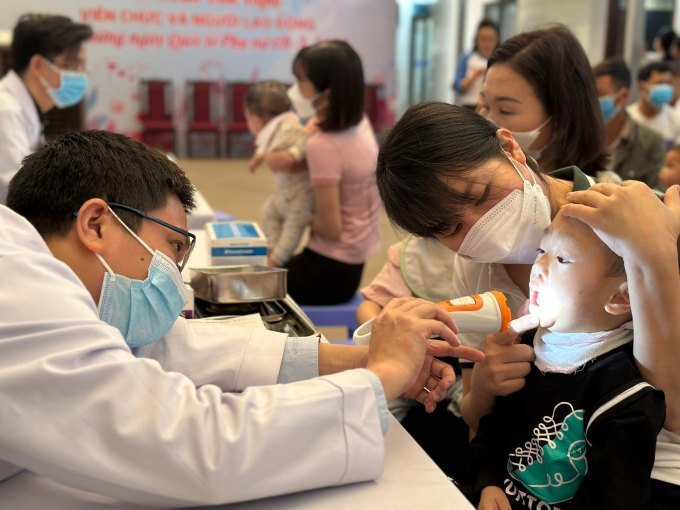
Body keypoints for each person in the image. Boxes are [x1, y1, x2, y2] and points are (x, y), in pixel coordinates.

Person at [0, 130, 484, 506]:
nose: (177, 276)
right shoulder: (18, 289)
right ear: (96, 223)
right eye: (173, 247)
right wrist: (383, 375)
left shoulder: (40, 280)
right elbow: (191, 445)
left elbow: (166, 350)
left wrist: (361, 358)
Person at [376, 102, 680, 508]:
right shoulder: (476, 271)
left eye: (481, 195)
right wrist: (483, 389)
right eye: (450, 229)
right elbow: (481, 424)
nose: (478, 226)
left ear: (510, 147)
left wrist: (653, 252)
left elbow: (668, 413)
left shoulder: (628, 235)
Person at [473, 208, 665, 509]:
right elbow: (492, 432)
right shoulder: (526, 347)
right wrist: (489, 482)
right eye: (542, 250)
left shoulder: (625, 398)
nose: (538, 267)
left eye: (562, 259)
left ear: (620, 298)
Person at [272, 40, 382, 305]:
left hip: (328, 272)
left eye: (301, 82)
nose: (295, 91)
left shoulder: (323, 145)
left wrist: (294, 212)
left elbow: (331, 228)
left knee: (244, 289)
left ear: (327, 94)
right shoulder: (359, 124)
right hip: (353, 262)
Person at [478, 25, 615, 182]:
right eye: (485, 106)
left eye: (505, 110)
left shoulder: (603, 198)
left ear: (562, 117)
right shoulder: (478, 182)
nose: (487, 122)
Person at [0, 13, 92, 204]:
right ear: (38, 65)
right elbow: (15, 192)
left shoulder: (26, 108)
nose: (81, 76)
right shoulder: (6, 110)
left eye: (83, 66)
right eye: (73, 66)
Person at [244, 80, 314, 267]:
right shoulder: (275, 128)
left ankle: (277, 259)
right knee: (268, 212)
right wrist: (258, 158)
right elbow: (266, 146)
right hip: (284, 192)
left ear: (256, 120)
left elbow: (305, 141)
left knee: (292, 229)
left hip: (302, 195)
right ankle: (272, 246)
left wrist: (292, 155)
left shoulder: (289, 128)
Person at [593, 58, 665, 187]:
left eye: (599, 94)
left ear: (623, 96)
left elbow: (655, 198)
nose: (592, 100)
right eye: (589, 93)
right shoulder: (579, 136)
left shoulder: (650, 142)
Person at [627, 62, 680, 148]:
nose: (665, 88)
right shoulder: (628, 117)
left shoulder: (676, 120)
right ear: (642, 86)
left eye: (668, 83)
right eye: (659, 83)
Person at [453, 18, 499, 110]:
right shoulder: (467, 58)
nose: (487, 44)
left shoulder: (500, 60)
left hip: (492, 108)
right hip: (469, 107)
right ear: (476, 39)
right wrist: (476, 75)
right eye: (483, 39)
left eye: (490, 39)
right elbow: (458, 86)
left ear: (496, 40)